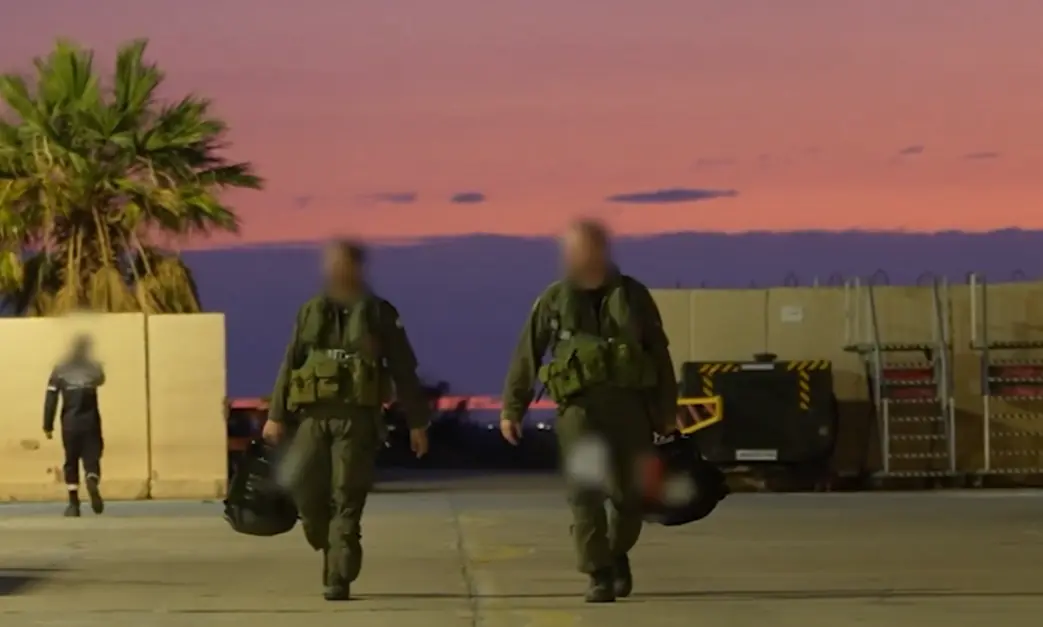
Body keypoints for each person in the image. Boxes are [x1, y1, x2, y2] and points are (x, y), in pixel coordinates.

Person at [499, 219, 678, 603]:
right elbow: (527, 353)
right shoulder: (553, 299)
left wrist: (667, 409)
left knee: (632, 497)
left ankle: (614, 553)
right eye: (572, 249)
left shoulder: (634, 296)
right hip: (579, 410)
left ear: (602, 250)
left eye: (587, 247)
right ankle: (597, 573)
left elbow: (659, 356)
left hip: (629, 409)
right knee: (586, 493)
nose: (579, 256)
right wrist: (512, 408)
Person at [262, 240, 430, 601]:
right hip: (312, 419)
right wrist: (275, 416)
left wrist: (417, 422)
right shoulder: (310, 312)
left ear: (357, 268)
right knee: (304, 489)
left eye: (342, 262)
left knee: (346, 498)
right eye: (330, 262)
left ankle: (338, 577)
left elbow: (404, 369)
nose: (334, 269)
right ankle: (327, 542)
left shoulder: (380, 314)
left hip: (356, 421)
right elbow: (290, 362)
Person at [43, 334, 107, 517]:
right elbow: (102, 379)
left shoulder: (60, 370)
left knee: (71, 461)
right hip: (91, 422)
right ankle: (92, 478)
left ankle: (73, 503)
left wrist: (47, 424)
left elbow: (51, 399)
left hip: (70, 424)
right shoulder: (92, 368)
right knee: (92, 456)